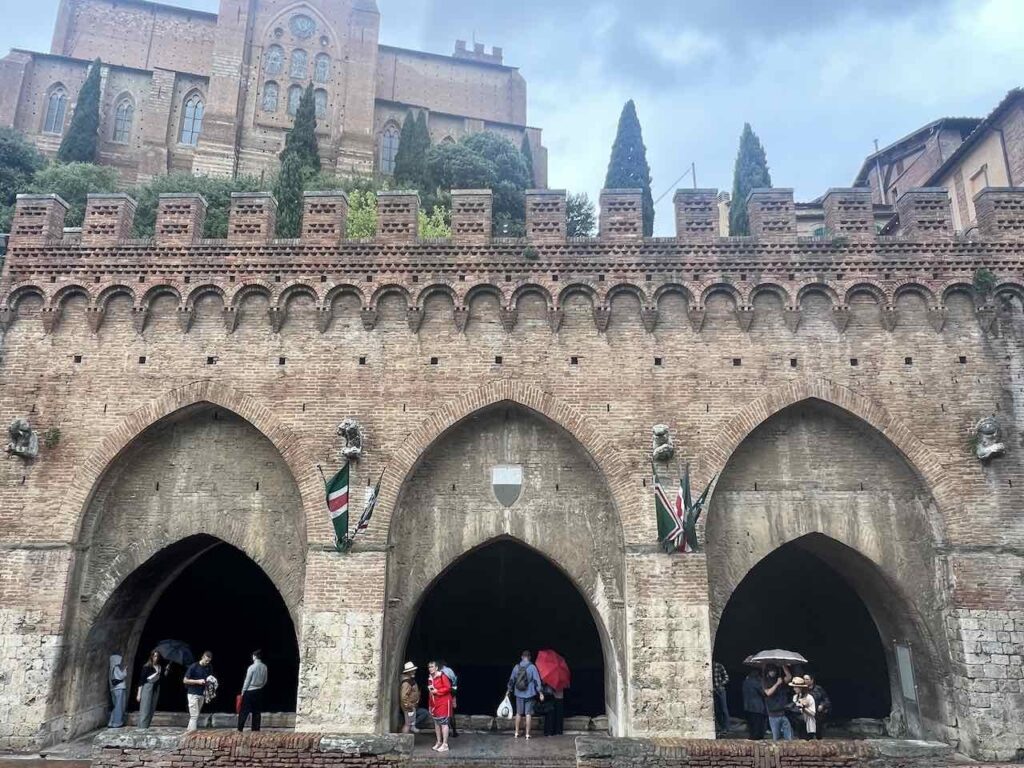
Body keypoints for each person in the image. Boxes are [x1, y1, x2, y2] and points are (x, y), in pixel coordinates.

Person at [507, 650, 544, 739]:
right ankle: (527, 734)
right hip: (529, 693)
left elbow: (512, 680)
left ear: (522, 657)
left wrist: (509, 690)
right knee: (528, 714)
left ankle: (516, 732)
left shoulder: (516, 667)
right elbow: (536, 681)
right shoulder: (532, 667)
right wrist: (540, 692)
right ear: (529, 657)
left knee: (519, 713)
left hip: (518, 694)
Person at [183, 651, 214, 732]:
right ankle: (193, 734)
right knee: (194, 715)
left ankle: (189, 733)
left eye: (209, 661)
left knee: (195, 715)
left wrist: (210, 682)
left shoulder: (209, 667)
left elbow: (209, 678)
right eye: (206, 660)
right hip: (193, 693)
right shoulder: (194, 666)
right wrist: (198, 681)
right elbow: (185, 680)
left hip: (202, 694)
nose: (207, 662)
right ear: (202, 657)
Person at [237, 649, 268, 732]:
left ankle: (240, 728)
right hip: (259, 691)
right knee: (257, 712)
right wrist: (260, 686)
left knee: (244, 711)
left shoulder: (252, 667)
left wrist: (243, 691)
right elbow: (265, 680)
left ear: (254, 657)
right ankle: (255, 729)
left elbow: (247, 680)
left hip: (249, 691)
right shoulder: (264, 667)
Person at [762, 665, 794, 741]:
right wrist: (777, 684)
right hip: (773, 714)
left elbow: (789, 677)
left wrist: (783, 665)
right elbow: (768, 693)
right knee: (776, 738)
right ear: (768, 672)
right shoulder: (765, 681)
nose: (773, 672)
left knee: (789, 737)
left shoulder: (779, 679)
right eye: (771, 671)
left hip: (783, 712)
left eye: (774, 670)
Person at [136, 650, 166, 729]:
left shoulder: (159, 667)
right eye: (154, 656)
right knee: (145, 709)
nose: (156, 658)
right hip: (147, 687)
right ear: (151, 656)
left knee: (151, 709)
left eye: (157, 656)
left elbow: (161, 678)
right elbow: (141, 681)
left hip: (156, 688)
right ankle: (142, 728)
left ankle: (146, 726)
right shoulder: (147, 666)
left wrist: (166, 671)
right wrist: (139, 694)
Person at [427, 660, 452, 752]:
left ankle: (445, 744)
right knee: (437, 723)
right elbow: (431, 693)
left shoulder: (442, 676)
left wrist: (438, 691)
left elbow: (448, 688)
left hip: (444, 702)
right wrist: (430, 705)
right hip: (435, 704)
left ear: (436, 667)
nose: (430, 668)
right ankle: (439, 742)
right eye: (429, 667)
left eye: (432, 666)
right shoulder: (430, 679)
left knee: (444, 723)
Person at [742, 667, 766, 740]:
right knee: (758, 728)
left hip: (747, 707)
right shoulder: (756, 682)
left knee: (751, 727)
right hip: (757, 708)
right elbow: (764, 693)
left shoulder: (745, 682)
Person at [805, 674, 831, 740]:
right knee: (807, 735)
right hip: (807, 714)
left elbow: (826, 700)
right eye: (804, 679)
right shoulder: (802, 689)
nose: (805, 681)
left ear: (812, 680)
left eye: (807, 679)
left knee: (818, 733)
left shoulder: (818, 689)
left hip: (817, 714)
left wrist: (822, 705)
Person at [438, 659, 459, 738]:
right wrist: (454, 694)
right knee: (451, 713)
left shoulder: (439, 672)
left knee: (442, 714)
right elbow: (454, 681)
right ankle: (454, 731)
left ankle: (443, 733)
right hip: (451, 693)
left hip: (442, 694)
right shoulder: (450, 670)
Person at [399, 662, 421, 734]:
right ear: (408, 672)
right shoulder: (406, 683)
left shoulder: (410, 681)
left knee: (409, 723)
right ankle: (403, 741)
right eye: (412, 670)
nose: (414, 671)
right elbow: (404, 696)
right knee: (407, 724)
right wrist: (408, 705)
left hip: (411, 705)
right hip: (409, 706)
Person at [107, 654, 127, 728]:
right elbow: (122, 676)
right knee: (119, 706)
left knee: (116, 706)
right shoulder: (116, 668)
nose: (120, 661)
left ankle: (111, 722)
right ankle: (117, 722)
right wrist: (125, 671)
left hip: (114, 689)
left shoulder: (111, 668)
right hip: (119, 688)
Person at [712, 660, 730, 736]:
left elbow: (726, 677)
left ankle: (726, 728)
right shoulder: (707, 667)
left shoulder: (719, 666)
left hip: (720, 690)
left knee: (724, 709)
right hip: (713, 690)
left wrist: (720, 684)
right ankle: (720, 727)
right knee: (717, 710)